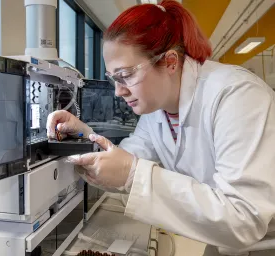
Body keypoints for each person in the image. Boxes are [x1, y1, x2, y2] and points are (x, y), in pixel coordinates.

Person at [46, 1, 275, 255]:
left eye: (126, 75)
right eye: (114, 78)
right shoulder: (157, 113)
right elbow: (120, 164)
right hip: (217, 243)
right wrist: (82, 135)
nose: (118, 91)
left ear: (170, 62)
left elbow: (245, 219)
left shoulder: (236, 95)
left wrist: (134, 174)